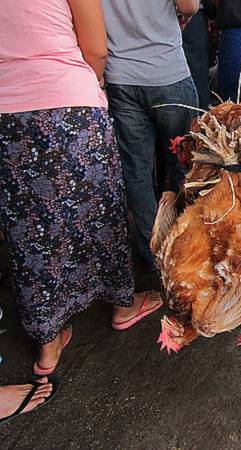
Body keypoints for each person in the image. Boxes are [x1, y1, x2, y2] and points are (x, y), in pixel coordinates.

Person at [0, 0, 162, 376]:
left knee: (29, 234)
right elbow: (95, 49)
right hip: (69, 105)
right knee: (101, 210)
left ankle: (48, 344)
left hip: (7, 117)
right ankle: (122, 306)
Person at [102, 0, 200, 271]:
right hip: (167, 71)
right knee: (190, 165)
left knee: (137, 171)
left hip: (120, 74)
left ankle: (153, 256)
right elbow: (189, 5)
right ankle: (190, 248)